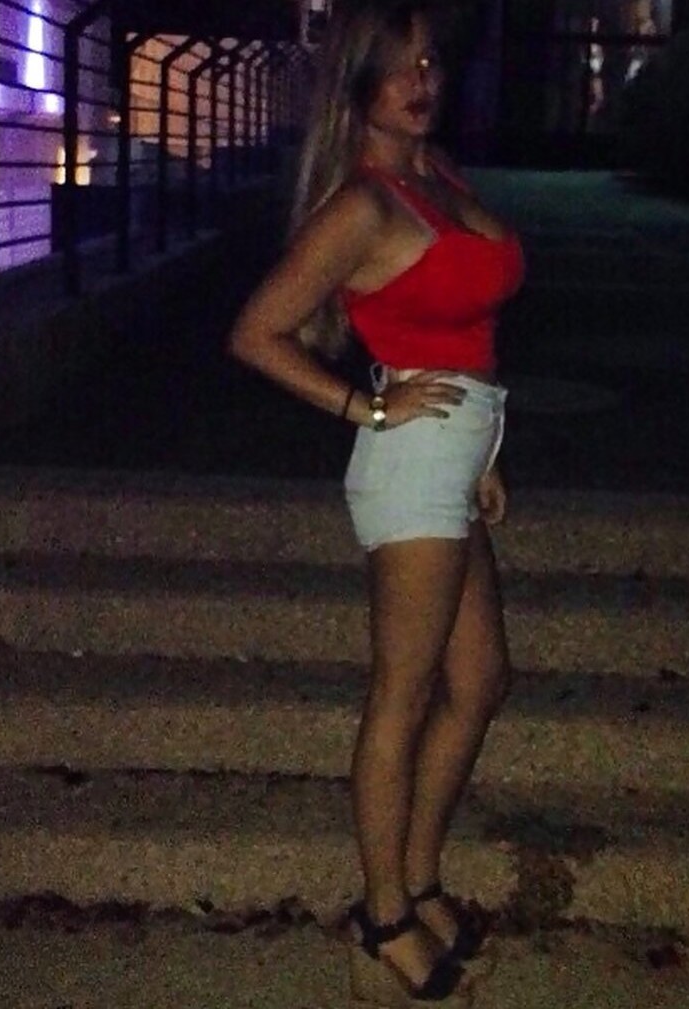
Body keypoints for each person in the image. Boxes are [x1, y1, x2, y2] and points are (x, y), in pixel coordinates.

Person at [228, 1, 524, 1004]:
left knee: (480, 680)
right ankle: (383, 919)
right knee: (403, 691)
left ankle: (421, 879)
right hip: (409, 462)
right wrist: (368, 405)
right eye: (398, 65)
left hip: (456, 455)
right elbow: (255, 333)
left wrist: (485, 450)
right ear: (357, 84)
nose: (421, 80)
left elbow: (469, 328)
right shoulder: (360, 205)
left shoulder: (436, 174)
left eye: (430, 60)